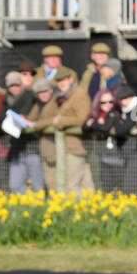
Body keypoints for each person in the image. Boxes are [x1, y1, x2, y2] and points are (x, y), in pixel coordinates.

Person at [51, 65, 91, 193]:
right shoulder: (63, 97)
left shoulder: (79, 94)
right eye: (58, 81)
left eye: (64, 80)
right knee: (86, 185)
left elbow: (82, 119)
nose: (61, 83)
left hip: (76, 146)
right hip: (68, 145)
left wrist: (61, 121)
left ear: (71, 79)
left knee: (72, 185)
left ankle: (75, 212)